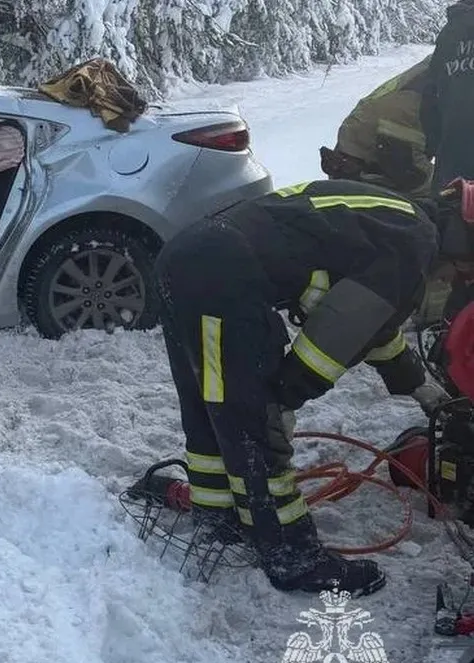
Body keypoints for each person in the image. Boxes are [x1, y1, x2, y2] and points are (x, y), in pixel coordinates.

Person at [155, 179, 474, 597]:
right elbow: (337, 332)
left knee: (210, 404)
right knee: (255, 422)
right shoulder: (413, 245)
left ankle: (218, 515)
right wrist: (284, 397)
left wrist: (419, 386)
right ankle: (294, 558)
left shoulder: (395, 217)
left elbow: (375, 325)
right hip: (226, 274)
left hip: (186, 259)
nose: (459, 278)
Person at [321, 56, 433, 196]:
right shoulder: (449, 74)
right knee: (452, 196)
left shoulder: (446, 61)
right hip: (376, 157)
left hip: (360, 148)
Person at [422, 0, 474, 194]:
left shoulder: (450, 32)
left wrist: (433, 142)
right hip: (453, 142)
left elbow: (429, 92)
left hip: (453, 144)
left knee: (448, 211)